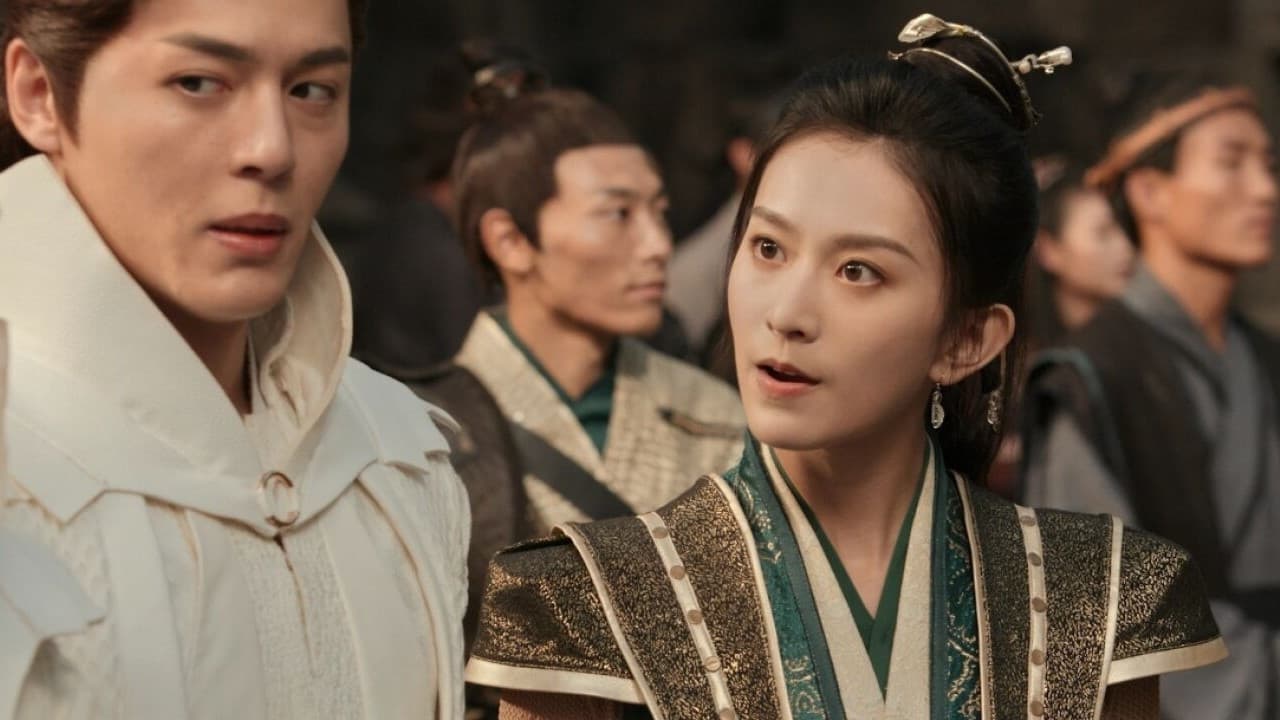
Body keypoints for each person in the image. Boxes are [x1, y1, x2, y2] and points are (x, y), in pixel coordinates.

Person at [465, 15, 1224, 719]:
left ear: (966, 340)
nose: (787, 312)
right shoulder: (586, 599)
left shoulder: (1101, 595)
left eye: (859, 270)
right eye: (768, 248)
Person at [0, 1, 470, 717]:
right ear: (38, 93)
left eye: (312, 90)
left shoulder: (400, 456)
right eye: (198, 82)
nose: (271, 149)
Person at [1021, 72, 1280, 719]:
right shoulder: (1092, 378)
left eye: (1268, 165)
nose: (1265, 189)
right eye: (1232, 163)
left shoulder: (1267, 358)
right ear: (1149, 192)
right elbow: (1098, 619)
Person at [448, 72, 745, 537]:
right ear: (510, 241)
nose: (658, 245)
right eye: (618, 213)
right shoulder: (436, 434)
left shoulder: (713, 414)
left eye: (659, 213)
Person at [1028, 161, 1135, 348]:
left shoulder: (1139, 340)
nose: (1125, 246)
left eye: (1120, 229)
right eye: (1102, 233)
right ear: (1048, 250)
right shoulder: (1042, 361)